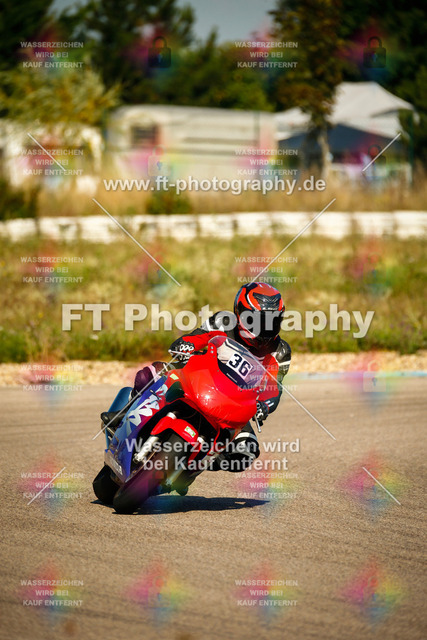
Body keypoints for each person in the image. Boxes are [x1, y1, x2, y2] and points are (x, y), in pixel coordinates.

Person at [128, 282, 292, 476]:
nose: (265, 328)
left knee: (246, 452)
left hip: (235, 403)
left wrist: (264, 406)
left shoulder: (280, 351)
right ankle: (123, 417)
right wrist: (185, 345)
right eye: (258, 321)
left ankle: (192, 466)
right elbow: (195, 338)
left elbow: (274, 388)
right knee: (150, 373)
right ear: (241, 313)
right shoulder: (223, 321)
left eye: (272, 321)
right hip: (197, 376)